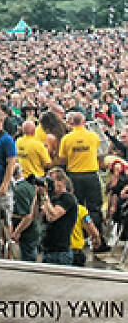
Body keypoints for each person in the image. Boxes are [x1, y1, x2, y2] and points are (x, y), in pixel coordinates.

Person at [58, 112, 104, 249]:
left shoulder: (67, 139)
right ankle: (97, 238)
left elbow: (62, 159)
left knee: (76, 207)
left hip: (75, 176)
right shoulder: (93, 137)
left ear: (71, 123)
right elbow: (95, 152)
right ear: (84, 122)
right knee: (94, 208)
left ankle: (79, 236)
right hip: (91, 175)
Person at [39, 167, 77, 265]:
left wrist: (45, 196)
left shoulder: (68, 198)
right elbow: (34, 215)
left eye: (52, 181)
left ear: (62, 182)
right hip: (47, 250)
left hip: (61, 252)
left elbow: (53, 216)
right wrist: (37, 196)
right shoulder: (51, 199)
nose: (49, 184)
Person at [10, 164, 39, 262]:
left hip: (26, 235)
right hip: (31, 233)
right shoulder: (29, 186)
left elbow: (27, 216)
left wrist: (16, 232)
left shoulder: (19, 190)